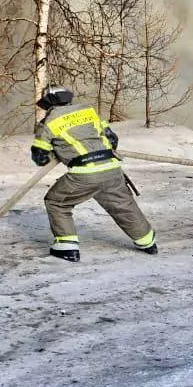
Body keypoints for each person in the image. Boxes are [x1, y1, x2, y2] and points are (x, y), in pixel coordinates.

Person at [29, 84, 157, 262]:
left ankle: (66, 247)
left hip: (84, 174)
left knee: (56, 201)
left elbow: (40, 158)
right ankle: (147, 241)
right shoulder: (88, 111)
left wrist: (56, 151)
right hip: (111, 169)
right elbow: (112, 139)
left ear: (47, 103)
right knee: (122, 204)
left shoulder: (48, 122)